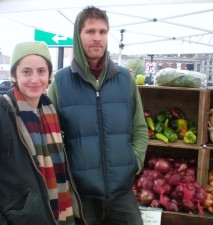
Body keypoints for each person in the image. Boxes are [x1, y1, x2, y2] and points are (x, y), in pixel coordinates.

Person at [47, 6, 148, 225]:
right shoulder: (61, 82)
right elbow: (50, 137)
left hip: (122, 194)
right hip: (82, 197)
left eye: (102, 32)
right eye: (90, 31)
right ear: (78, 35)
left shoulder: (124, 79)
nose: (97, 38)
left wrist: (134, 162)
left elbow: (139, 127)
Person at [0, 41, 84, 225]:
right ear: (14, 74)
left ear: (49, 74)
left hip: (57, 217)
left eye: (41, 71)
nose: (35, 79)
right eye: (26, 71)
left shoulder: (50, 112)